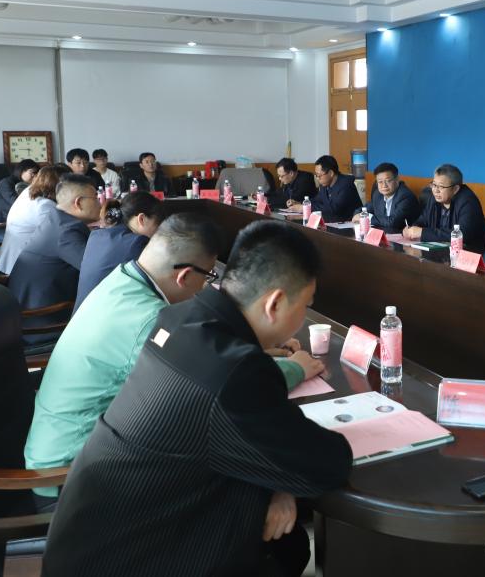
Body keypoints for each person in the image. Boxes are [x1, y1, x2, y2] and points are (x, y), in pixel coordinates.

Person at [42, 221, 352, 577]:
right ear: (275, 303)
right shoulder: (237, 372)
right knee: (286, 549)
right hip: (130, 558)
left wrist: (281, 482)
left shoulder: (180, 317)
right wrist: (284, 479)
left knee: (287, 542)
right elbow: (326, 464)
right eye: (305, 305)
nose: (301, 319)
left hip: (87, 540)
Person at [26, 214, 326, 508]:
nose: (207, 287)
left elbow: (202, 354)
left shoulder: (123, 280)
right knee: (243, 489)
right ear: (184, 276)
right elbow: (220, 383)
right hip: (71, 475)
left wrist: (261, 345)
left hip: (64, 448)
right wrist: (296, 368)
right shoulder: (149, 320)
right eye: (208, 276)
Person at [7, 175, 100, 341]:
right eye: (96, 198)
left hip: (37, 307)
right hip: (43, 321)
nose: (100, 203)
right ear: (79, 203)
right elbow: (96, 271)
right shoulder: (66, 230)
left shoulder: (58, 219)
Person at [72, 192, 165, 311]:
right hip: (107, 316)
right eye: (157, 226)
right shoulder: (137, 242)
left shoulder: (96, 236)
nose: (158, 233)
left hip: (81, 316)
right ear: (141, 219)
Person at [0, 164, 71, 274]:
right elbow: (64, 236)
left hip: (11, 261)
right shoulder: (45, 206)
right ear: (58, 185)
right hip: (22, 268)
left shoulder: (29, 192)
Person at [403, 163, 485, 252]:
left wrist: (422, 232)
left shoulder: (468, 202)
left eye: (441, 186)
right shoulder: (434, 198)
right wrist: (411, 229)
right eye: (434, 185)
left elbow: (463, 234)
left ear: (455, 189)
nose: (436, 190)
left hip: (470, 253)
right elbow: (423, 220)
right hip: (441, 251)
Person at [0, 158, 38, 242]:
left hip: (12, 225)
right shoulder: (6, 183)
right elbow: (16, 203)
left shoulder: (24, 185)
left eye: (36, 174)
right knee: (28, 242)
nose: (34, 176)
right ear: (22, 171)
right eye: (32, 172)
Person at [359, 162, 420, 233]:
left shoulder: (405, 196)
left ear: (397, 179)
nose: (384, 185)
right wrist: (358, 214)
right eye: (380, 182)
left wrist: (366, 217)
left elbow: (392, 222)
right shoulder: (378, 194)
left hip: (403, 236)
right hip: (385, 234)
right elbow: (365, 208)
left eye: (388, 181)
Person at [309, 154, 362, 222]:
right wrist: (302, 204)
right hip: (333, 223)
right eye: (316, 175)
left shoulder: (346, 184)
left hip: (351, 224)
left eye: (319, 175)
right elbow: (317, 200)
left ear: (331, 173)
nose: (317, 178)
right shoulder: (324, 184)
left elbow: (334, 209)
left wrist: (308, 207)